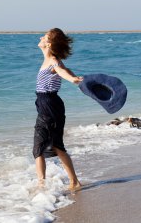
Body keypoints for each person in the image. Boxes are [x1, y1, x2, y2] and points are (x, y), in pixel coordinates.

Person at [33, 28, 82, 191]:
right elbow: (65, 69)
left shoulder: (53, 61)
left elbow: (62, 71)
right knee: (40, 147)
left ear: (49, 43)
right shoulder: (49, 60)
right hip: (45, 104)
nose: (40, 37)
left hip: (50, 105)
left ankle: (73, 181)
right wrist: (73, 76)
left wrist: (73, 79)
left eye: (44, 36)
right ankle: (42, 184)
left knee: (54, 146)